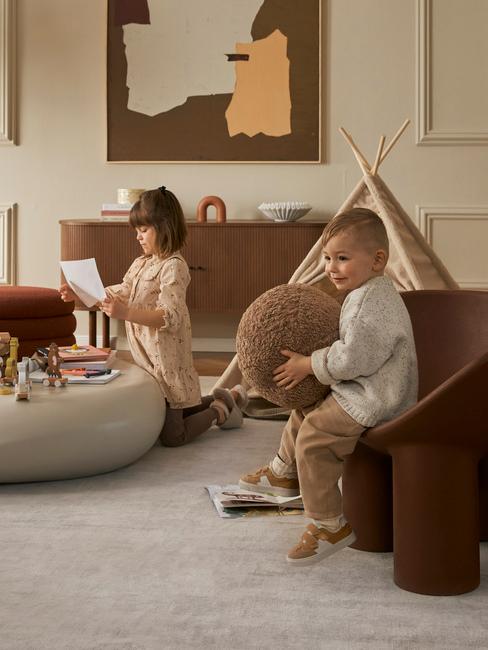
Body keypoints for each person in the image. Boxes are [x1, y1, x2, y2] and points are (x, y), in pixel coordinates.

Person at [239, 207, 418, 565]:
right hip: (363, 388)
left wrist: (308, 364)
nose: (331, 268)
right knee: (305, 407)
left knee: (315, 437)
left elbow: (353, 359)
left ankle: (328, 525)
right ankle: (283, 473)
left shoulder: (371, 302)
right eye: (327, 258)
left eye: (342, 258)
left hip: (375, 397)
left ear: (377, 260)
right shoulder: (365, 292)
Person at [60, 186, 247, 446]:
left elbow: (170, 316)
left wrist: (126, 313)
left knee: (172, 436)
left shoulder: (174, 267)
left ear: (164, 227)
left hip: (167, 362)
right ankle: (230, 396)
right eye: (137, 231)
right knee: (179, 409)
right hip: (146, 360)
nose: (138, 236)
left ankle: (220, 410)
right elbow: (123, 290)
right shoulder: (141, 263)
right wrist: (80, 294)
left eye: (144, 230)